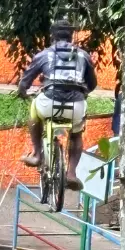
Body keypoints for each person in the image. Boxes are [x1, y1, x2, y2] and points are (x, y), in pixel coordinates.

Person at [17, 20, 97, 191]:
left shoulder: (44, 54)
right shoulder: (84, 55)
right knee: (76, 135)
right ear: (71, 36)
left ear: (52, 35)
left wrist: (23, 92)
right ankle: (72, 173)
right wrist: (83, 93)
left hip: (49, 103)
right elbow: (92, 84)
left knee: (34, 111)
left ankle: (38, 154)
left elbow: (25, 82)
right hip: (76, 106)